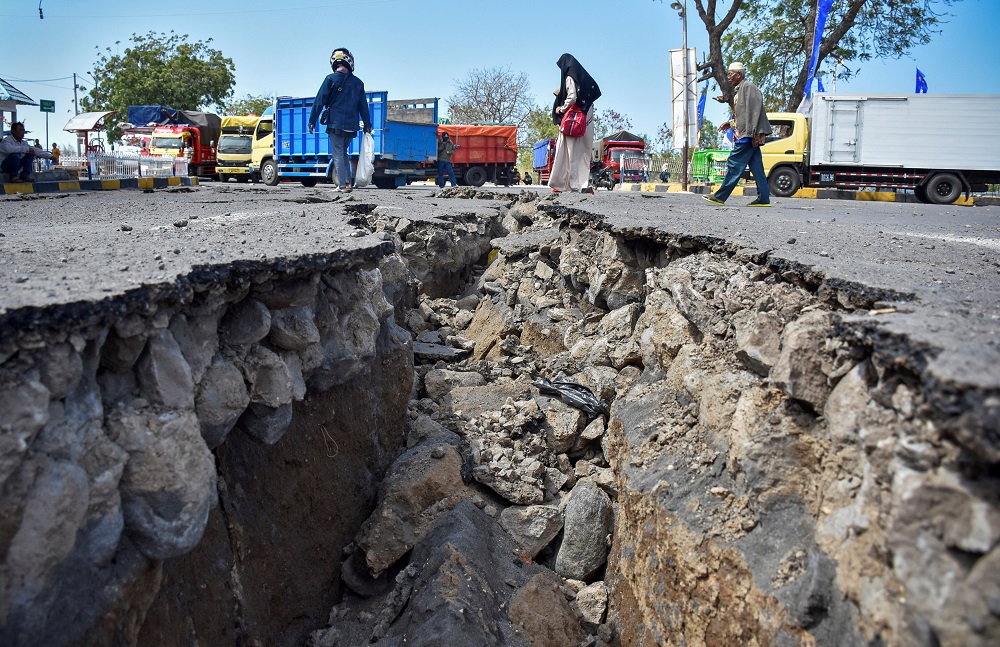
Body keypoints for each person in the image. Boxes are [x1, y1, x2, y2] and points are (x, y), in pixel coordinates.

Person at [703, 62, 772, 207]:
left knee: (734, 163)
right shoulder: (740, 89)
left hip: (747, 136)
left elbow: (755, 111)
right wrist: (730, 124)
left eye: (730, 74)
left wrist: (754, 134)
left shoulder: (748, 87)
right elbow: (743, 115)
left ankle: (720, 196)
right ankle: (764, 198)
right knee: (757, 168)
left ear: (738, 74)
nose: (728, 77)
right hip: (747, 133)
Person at [308, 47, 372, 193]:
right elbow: (363, 106)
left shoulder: (330, 79)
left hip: (336, 124)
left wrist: (312, 121)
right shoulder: (358, 83)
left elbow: (319, 101)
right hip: (351, 126)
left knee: (337, 154)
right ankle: (348, 183)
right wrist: (367, 125)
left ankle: (342, 186)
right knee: (344, 153)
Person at [549, 53, 601, 194]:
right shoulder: (583, 81)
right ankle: (581, 184)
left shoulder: (570, 78)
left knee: (566, 153)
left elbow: (572, 97)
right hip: (584, 123)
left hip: (571, 122)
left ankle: (561, 185)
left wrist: (562, 109)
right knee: (581, 154)